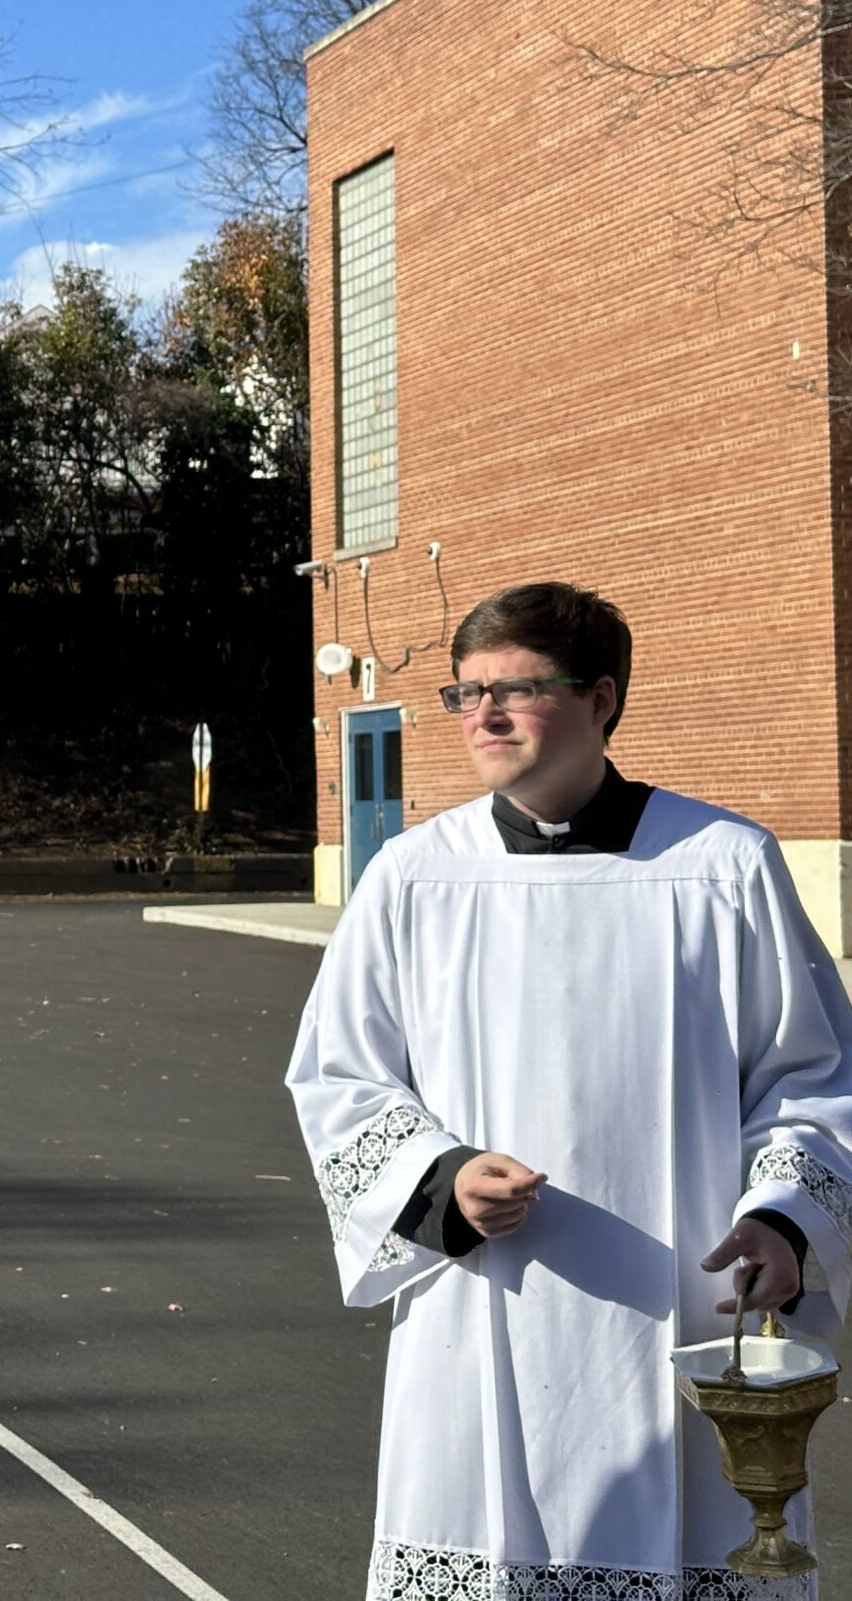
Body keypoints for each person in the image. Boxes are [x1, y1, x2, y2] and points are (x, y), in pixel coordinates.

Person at [288, 581, 852, 1599]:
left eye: (516, 690)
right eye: (465, 694)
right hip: (482, 1302)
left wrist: (783, 1219)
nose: (484, 716)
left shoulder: (721, 865)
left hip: (688, 1297)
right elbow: (341, 1076)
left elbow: (811, 1073)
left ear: (600, 699)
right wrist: (442, 1179)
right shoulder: (414, 876)